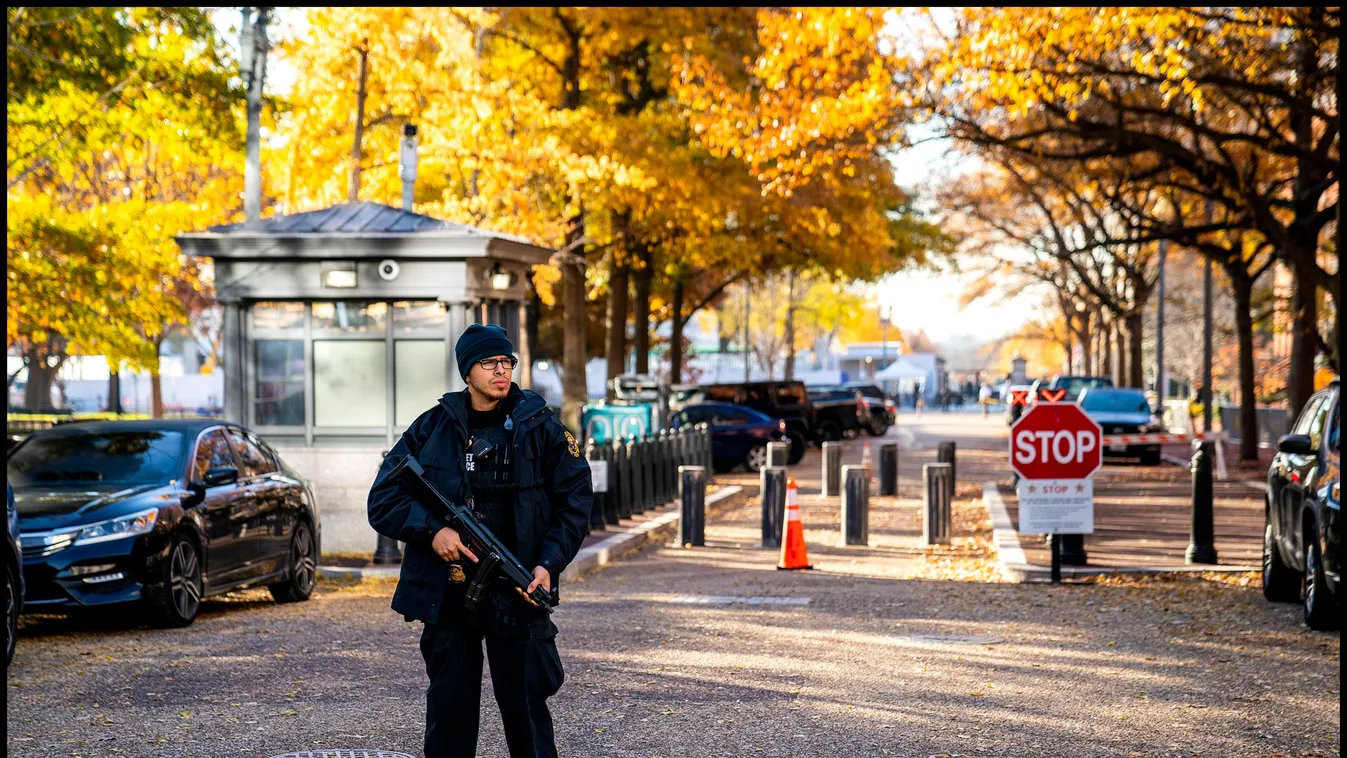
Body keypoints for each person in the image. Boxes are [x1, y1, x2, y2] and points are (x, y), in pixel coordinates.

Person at [368, 323, 592, 758]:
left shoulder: (541, 426)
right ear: (466, 371)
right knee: (450, 713)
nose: (501, 371)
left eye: (506, 362)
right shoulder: (433, 427)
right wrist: (435, 533)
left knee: (527, 713)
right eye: (489, 362)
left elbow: (575, 504)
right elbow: (383, 500)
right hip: (450, 593)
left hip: (520, 588)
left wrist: (548, 564)